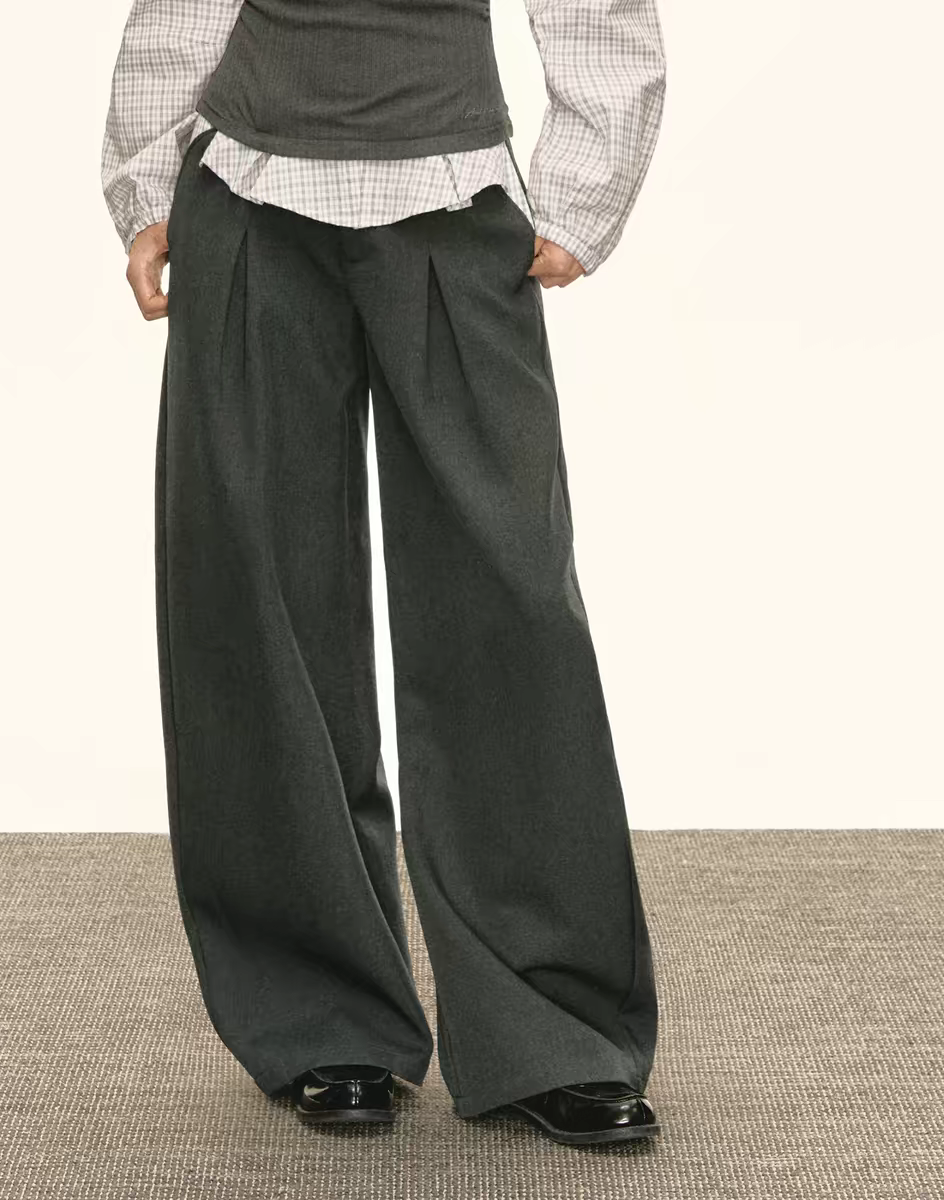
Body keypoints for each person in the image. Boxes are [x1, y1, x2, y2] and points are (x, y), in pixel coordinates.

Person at [101, 0, 667, 1145]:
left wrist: (585, 187)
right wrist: (146, 180)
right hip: (248, 197)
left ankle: (549, 1024)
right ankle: (322, 1016)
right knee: (261, 599)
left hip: (456, 200)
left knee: (505, 602)